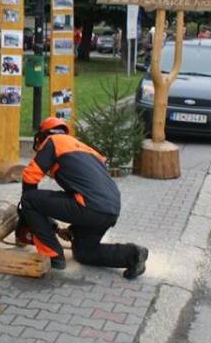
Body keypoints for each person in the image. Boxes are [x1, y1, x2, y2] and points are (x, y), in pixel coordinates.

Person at [16, 117, 148, 278]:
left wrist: (29, 217)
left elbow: (30, 177)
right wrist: (69, 230)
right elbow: (88, 190)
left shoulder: (53, 141)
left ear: (43, 135)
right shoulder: (86, 149)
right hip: (110, 210)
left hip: (89, 207)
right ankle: (133, 255)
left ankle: (53, 255)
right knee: (84, 253)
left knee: (29, 199)